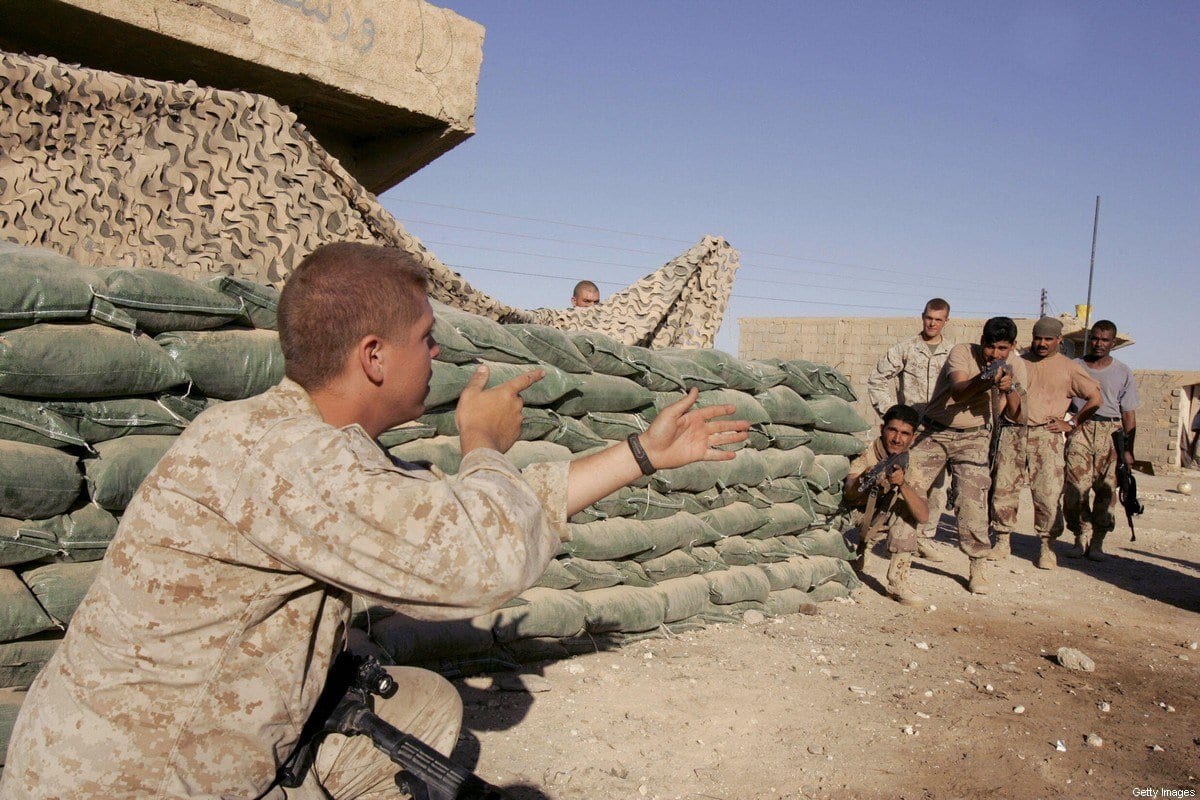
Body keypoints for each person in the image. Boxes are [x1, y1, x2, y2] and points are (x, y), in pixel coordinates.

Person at [0, 243, 749, 800]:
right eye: (427, 337)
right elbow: (480, 561)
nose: (439, 351)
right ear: (374, 356)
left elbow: (439, 513)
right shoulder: (297, 465)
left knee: (422, 707)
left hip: (166, 747)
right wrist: (483, 444)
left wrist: (638, 456)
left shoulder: (284, 432)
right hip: (130, 781)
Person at [899, 317, 1027, 595]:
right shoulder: (962, 352)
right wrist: (984, 379)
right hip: (936, 431)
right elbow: (958, 392)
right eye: (990, 347)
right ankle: (900, 561)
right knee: (910, 491)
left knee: (973, 501)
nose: (995, 354)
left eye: (1002, 348)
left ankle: (977, 565)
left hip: (974, 437)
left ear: (1013, 347)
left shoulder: (1016, 365)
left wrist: (1010, 387)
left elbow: (1016, 415)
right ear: (982, 341)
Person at [989, 317, 1100, 569]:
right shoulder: (1018, 361)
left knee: (1047, 493)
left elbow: (1095, 398)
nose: (1041, 344)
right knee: (1003, 488)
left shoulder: (1068, 367)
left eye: (1048, 339)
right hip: (1013, 432)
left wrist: (1071, 424)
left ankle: (1047, 546)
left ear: (1059, 340)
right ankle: (1002, 540)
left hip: (1046, 436)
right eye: (1038, 338)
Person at [865, 298, 953, 563]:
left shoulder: (953, 353)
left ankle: (924, 538)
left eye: (938, 319)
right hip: (912, 434)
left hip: (939, 431)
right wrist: (895, 416)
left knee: (937, 488)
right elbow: (877, 379)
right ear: (922, 316)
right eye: (929, 317)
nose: (932, 323)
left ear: (946, 321)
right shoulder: (905, 349)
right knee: (905, 483)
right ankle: (886, 533)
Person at [1063, 319, 1139, 561]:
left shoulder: (1122, 371)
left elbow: (1128, 413)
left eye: (1104, 340)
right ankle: (1079, 537)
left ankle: (1097, 542)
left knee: (1105, 491)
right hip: (1081, 428)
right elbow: (1062, 397)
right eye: (1095, 338)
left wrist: (1128, 450)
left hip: (1111, 431)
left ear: (1112, 342)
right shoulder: (1073, 365)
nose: (1098, 343)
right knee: (1075, 490)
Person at [844, 404, 930, 605]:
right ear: (882, 428)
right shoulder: (865, 453)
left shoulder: (912, 463)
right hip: (852, 512)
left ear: (913, 437)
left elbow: (923, 515)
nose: (897, 439)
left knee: (907, 511)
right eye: (892, 430)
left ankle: (897, 582)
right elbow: (848, 493)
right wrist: (866, 477)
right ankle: (853, 553)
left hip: (878, 515)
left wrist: (902, 484)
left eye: (905, 433)